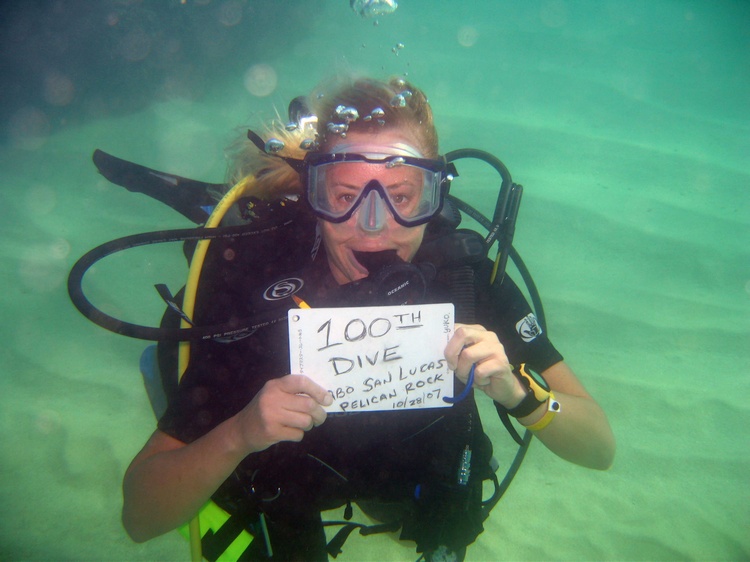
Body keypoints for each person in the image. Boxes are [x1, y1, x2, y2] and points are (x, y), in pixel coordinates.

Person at [121, 76, 615, 561]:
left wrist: (520, 394)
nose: (374, 227)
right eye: (343, 197)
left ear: (431, 196)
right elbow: (140, 517)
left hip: (403, 474)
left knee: (442, 518)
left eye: (400, 197)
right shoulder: (261, 294)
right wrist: (239, 434)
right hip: (283, 486)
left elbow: (599, 447)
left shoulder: (465, 281)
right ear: (315, 198)